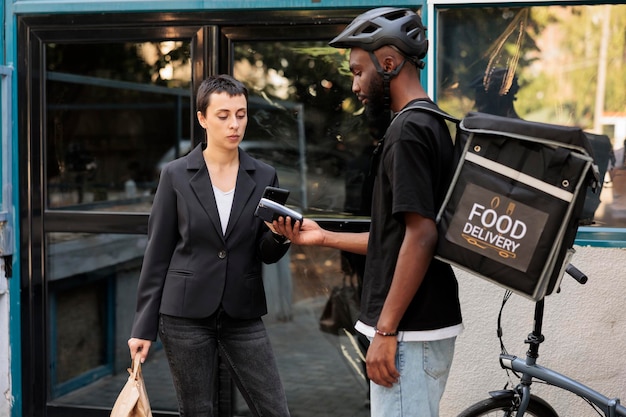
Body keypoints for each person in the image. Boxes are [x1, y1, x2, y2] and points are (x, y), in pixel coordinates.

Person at [275, 7, 463, 417]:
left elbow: (422, 236)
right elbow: (394, 238)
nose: (356, 84)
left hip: (409, 334)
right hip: (417, 330)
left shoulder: (408, 132)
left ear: (389, 63)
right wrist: (322, 237)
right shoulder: (428, 123)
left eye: (359, 71)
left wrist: (386, 329)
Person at [128, 74, 292, 417]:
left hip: (243, 313)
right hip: (184, 315)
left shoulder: (264, 175)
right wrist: (142, 327)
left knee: (274, 410)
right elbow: (157, 252)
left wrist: (278, 235)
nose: (234, 124)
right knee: (197, 411)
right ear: (202, 118)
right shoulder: (175, 174)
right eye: (223, 116)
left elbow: (265, 252)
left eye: (241, 114)